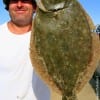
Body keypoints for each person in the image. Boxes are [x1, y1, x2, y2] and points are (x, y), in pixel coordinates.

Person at [0, 0, 50, 100]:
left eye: (25, 0)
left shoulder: (49, 35)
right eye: (14, 0)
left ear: (35, 7)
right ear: (8, 6)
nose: (19, 5)